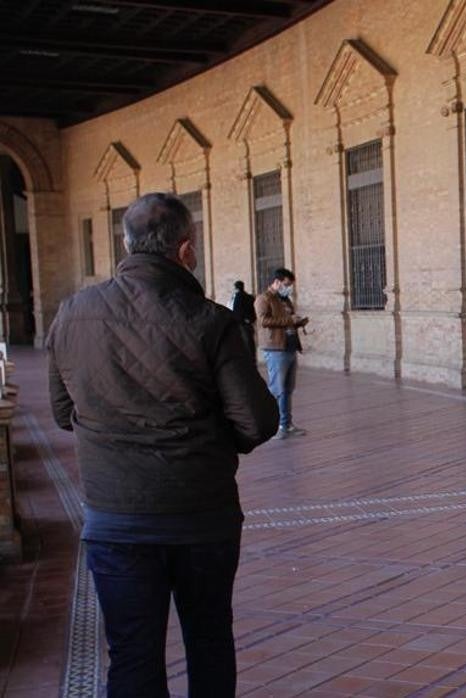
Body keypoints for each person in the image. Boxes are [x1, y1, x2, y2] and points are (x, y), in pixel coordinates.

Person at [47, 192, 279, 697]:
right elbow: (258, 421)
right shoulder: (211, 321)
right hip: (202, 515)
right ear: (186, 250)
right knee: (209, 639)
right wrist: (210, 443)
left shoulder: (71, 314)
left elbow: (63, 414)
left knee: (132, 652)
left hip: (115, 518)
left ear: (125, 245)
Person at [256, 267, 308, 439]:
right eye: (286, 284)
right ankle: (274, 427)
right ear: (277, 282)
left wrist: (298, 322)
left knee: (287, 389)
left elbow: (289, 319)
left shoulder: (285, 299)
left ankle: (286, 424)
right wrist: (288, 320)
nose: (289, 288)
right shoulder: (264, 299)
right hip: (276, 348)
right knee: (276, 389)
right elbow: (263, 321)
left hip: (290, 346)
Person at [229, 280, 257, 359]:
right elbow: (253, 311)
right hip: (249, 323)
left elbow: (236, 311)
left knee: (244, 343)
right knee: (250, 342)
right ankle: (252, 360)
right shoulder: (250, 297)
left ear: (236, 288)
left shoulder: (237, 297)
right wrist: (251, 319)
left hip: (241, 324)